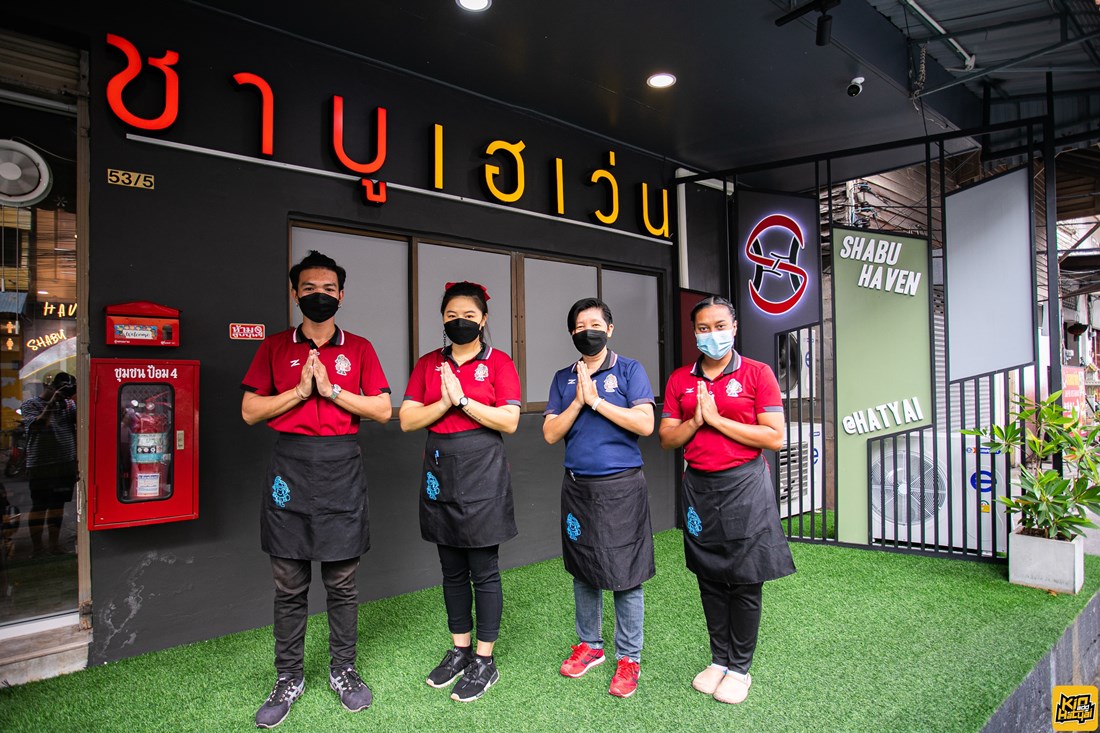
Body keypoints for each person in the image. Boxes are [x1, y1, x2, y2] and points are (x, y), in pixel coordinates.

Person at [241, 250, 392, 728]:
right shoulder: (274, 347)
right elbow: (249, 410)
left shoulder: (360, 348)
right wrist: (299, 393)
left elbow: (383, 409)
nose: (319, 295)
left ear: (341, 295)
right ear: (295, 293)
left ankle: (343, 670)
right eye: (309, 288)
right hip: (290, 467)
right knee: (289, 584)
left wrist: (332, 392)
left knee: (342, 583)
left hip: (341, 466)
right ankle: (288, 676)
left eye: (328, 288)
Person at [658, 295, 795, 705]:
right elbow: (667, 438)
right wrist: (696, 420)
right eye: (703, 328)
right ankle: (719, 659)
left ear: (734, 328)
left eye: (720, 326)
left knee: (745, 578)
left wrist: (717, 420)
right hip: (699, 487)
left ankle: (739, 669)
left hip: (744, 485)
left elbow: (774, 436)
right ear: (694, 332)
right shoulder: (680, 380)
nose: (712, 334)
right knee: (710, 576)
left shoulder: (757, 373)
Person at [399, 280, 521, 703]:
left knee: (483, 569)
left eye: (469, 315)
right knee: (451, 567)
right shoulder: (428, 363)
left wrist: (464, 401)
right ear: (442, 319)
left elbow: (509, 421)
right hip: (440, 469)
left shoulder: (499, 362)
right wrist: (444, 402)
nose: (460, 322)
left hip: (483, 468)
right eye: (452, 315)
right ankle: (460, 650)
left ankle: (485, 660)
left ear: (483, 319)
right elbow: (408, 419)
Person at [543, 297, 656, 699]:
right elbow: (550, 433)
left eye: (594, 324)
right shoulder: (563, 378)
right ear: (571, 333)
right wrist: (578, 400)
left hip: (622, 486)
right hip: (577, 487)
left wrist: (596, 401)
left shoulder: (629, 369)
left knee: (627, 574)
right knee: (583, 568)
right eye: (579, 326)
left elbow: (645, 423)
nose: (586, 331)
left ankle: (629, 657)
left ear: (609, 329)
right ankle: (590, 645)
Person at [21, 371, 78, 557]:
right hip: (41, 465)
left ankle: (54, 545)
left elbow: (82, 422)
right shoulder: (30, 405)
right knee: (39, 507)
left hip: (65, 463)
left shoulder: (69, 405)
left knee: (57, 506)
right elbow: (38, 427)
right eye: (62, 389)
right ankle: (37, 548)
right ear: (49, 386)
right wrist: (52, 403)